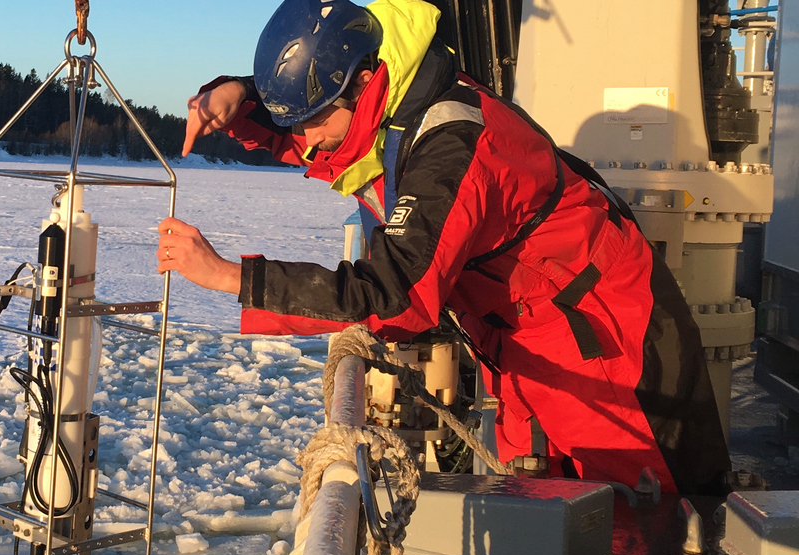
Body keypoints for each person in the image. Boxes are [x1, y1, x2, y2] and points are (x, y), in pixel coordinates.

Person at [155, 0, 731, 495]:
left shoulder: (451, 148)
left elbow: (395, 296)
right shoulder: (393, 103)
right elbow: (319, 134)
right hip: (527, 339)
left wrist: (233, 278)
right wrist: (242, 100)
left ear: (363, 83)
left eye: (311, 121)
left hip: (607, 343)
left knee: (656, 533)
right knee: (554, 522)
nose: (303, 141)